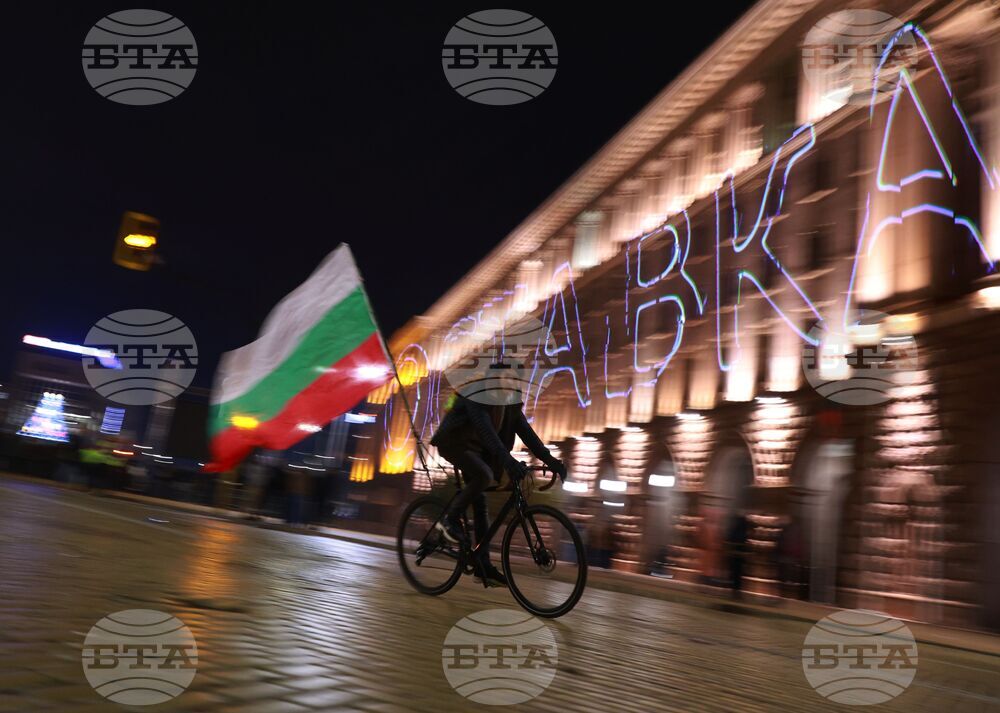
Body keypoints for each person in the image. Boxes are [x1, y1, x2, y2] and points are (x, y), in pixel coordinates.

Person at [430, 363, 566, 587]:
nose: (510, 384)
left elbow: (528, 435)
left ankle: (482, 564)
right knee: (483, 475)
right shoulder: (477, 396)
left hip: (476, 449)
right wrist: (508, 461)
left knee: (481, 502)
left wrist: (552, 461)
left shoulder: (510, 405)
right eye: (505, 378)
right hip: (455, 443)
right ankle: (449, 520)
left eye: (514, 380)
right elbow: (487, 432)